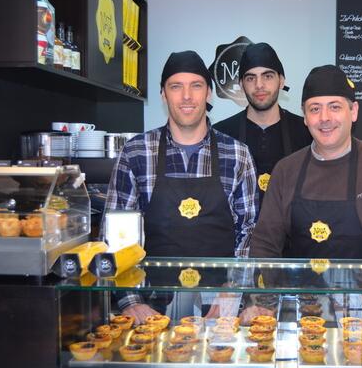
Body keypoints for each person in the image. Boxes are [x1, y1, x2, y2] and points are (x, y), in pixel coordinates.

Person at [104, 50, 258, 323]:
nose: (187, 96)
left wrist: (233, 291)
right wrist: (130, 301)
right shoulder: (136, 153)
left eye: (196, 86)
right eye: (176, 86)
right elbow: (117, 236)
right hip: (152, 305)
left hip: (219, 307)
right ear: (164, 95)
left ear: (208, 93)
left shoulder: (238, 154)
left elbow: (250, 231)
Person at [249, 64, 362, 260]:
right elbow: (265, 245)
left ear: (354, 111)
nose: (324, 118)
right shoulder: (286, 170)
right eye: (315, 109)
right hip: (304, 289)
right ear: (305, 117)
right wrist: (264, 289)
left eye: (335, 107)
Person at [213, 42, 311, 205]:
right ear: (242, 85)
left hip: (291, 229)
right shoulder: (221, 135)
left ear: (281, 81)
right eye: (251, 78)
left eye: (268, 76)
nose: (259, 85)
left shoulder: (306, 132)